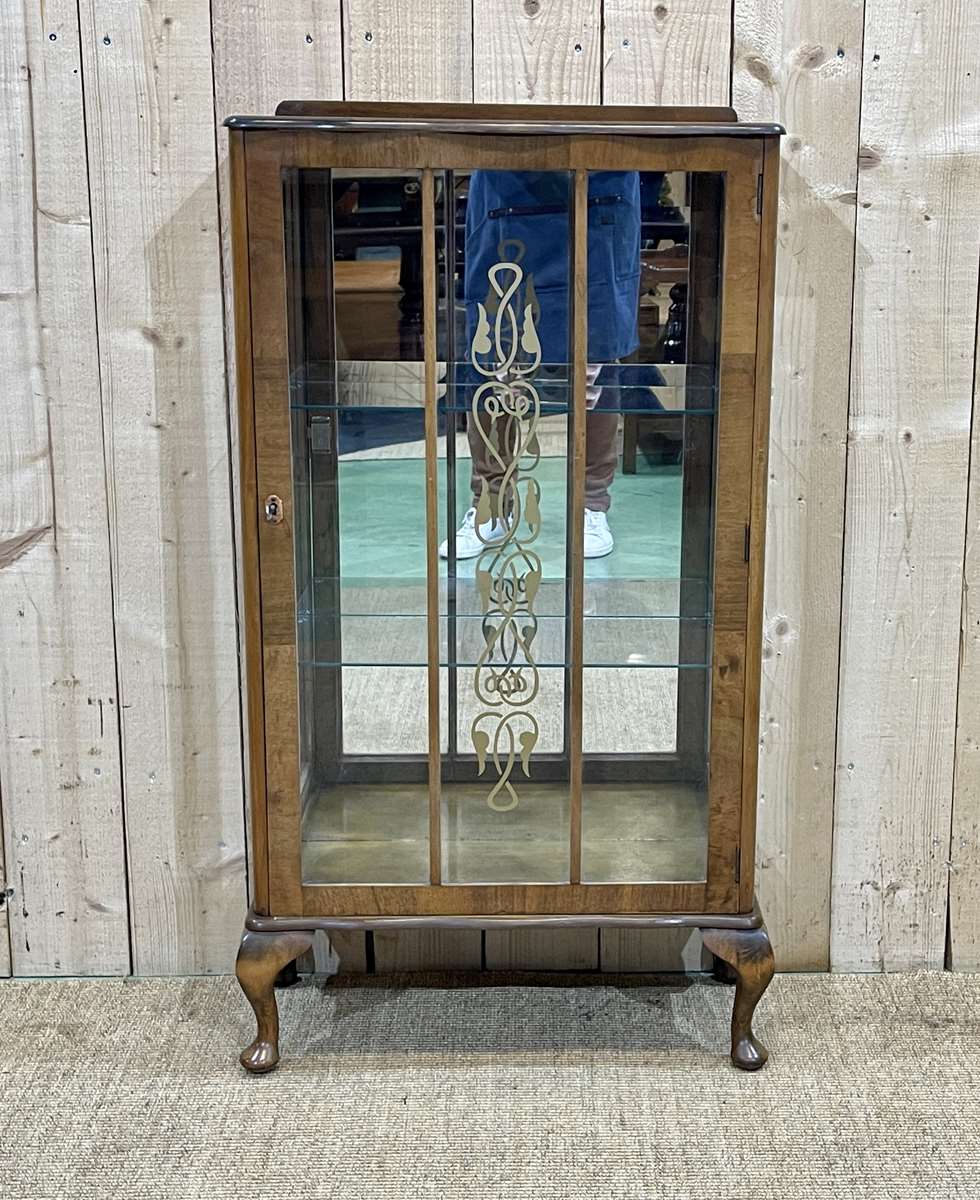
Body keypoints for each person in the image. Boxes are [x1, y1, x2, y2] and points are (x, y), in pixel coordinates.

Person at [440, 169, 645, 561]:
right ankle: (492, 506)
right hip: (507, 179)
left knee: (596, 351)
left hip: (600, 179)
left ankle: (591, 505)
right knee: (493, 352)